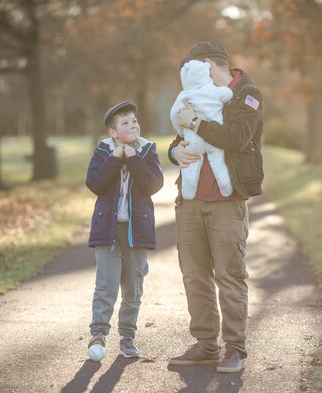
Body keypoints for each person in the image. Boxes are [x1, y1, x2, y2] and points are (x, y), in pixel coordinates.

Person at [167, 42, 264, 373]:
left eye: (189, 69)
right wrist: (173, 153)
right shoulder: (195, 93)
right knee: (194, 276)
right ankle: (206, 344)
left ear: (206, 64)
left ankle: (234, 347)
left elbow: (237, 137)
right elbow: (180, 132)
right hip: (191, 201)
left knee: (230, 274)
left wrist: (195, 124)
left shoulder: (246, 93)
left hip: (227, 201)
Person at [85, 100, 163, 362]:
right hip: (108, 230)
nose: (133, 125)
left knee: (133, 288)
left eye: (134, 121)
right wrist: (116, 159)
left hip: (137, 231)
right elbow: (94, 183)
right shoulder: (103, 153)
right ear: (113, 132)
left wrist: (133, 157)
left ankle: (127, 337)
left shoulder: (147, 151)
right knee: (106, 285)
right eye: (125, 123)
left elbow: (153, 184)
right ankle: (98, 335)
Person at [169, 59, 234, 199]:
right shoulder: (213, 90)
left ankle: (189, 187)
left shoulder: (184, 95)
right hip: (213, 138)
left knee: (192, 163)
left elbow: (174, 115)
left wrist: (182, 130)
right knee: (218, 160)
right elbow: (228, 94)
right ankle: (224, 182)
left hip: (193, 139)